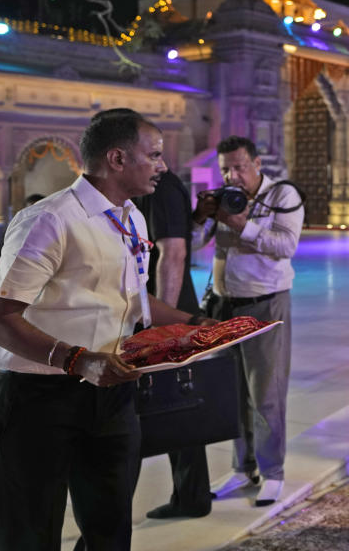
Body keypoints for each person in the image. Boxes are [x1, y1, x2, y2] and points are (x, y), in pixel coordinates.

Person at [0, 108, 211, 550]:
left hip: (111, 398)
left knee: (109, 532)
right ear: (117, 158)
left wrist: (199, 325)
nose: (163, 166)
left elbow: (137, 303)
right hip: (36, 400)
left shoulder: (131, 218)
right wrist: (77, 360)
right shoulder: (50, 220)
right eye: (155, 155)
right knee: (29, 536)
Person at [195, 136, 304, 507]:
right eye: (226, 168)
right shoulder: (225, 197)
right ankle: (242, 468)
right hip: (224, 307)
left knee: (266, 394)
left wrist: (242, 225)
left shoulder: (283, 196)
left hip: (265, 305)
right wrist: (201, 215)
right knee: (232, 392)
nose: (232, 174)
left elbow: (286, 245)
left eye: (239, 166)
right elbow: (194, 243)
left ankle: (272, 472)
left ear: (258, 163)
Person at [135, 169, 215, 518]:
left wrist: (163, 323)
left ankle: (192, 496)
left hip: (169, 313)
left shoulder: (161, 186)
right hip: (167, 310)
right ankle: (191, 495)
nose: (156, 161)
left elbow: (174, 253)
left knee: (177, 407)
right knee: (176, 407)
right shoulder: (159, 187)